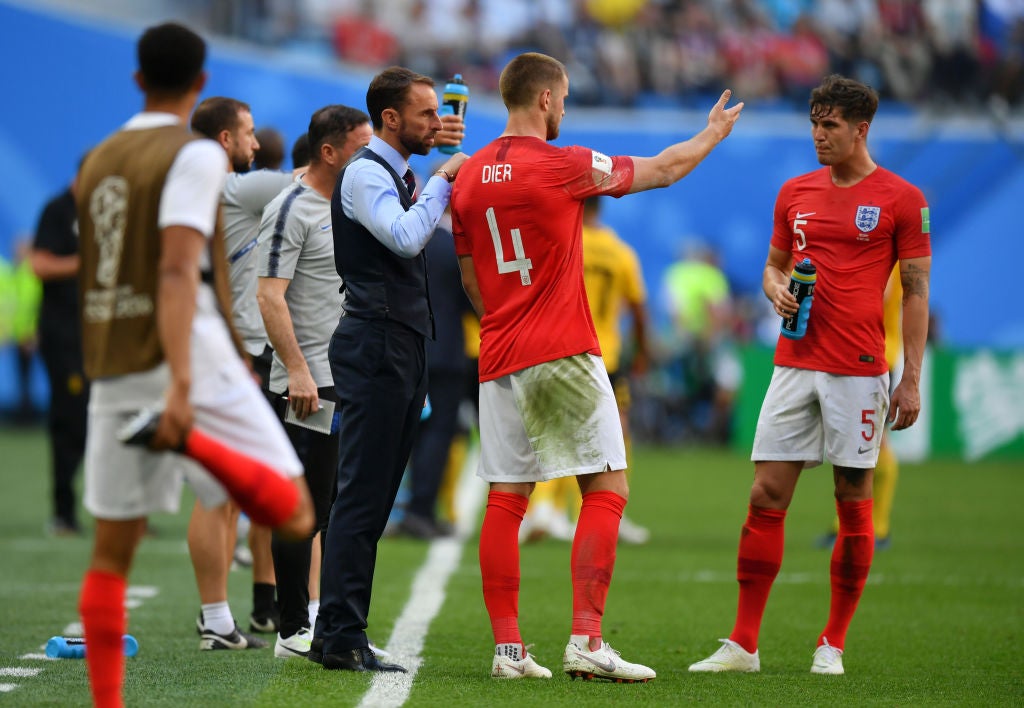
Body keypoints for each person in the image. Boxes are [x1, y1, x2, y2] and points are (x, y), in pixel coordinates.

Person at [449, 51, 742, 682]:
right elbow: (663, 170)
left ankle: (508, 652)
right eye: (566, 97)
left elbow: (470, 277)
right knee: (607, 489)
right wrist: (712, 134)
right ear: (547, 100)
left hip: (498, 351)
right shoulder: (566, 164)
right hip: (562, 349)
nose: (566, 108)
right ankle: (586, 640)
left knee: (506, 498)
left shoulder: (468, 176)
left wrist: (504, 317)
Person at [74, 22, 313, 707]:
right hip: (184, 353)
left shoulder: (98, 158)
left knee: (109, 557)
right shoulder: (196, 154)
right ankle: (188, 438)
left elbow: (102, 271)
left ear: (137, 79)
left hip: (114, 360)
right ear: (201, 82)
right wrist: (187, 381)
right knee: (294, 512)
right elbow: (179, 270)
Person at [688, 74, 930, 676]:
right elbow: (773, 269)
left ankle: (833, 643)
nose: (820, 135)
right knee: (765, 495)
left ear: (861, 129)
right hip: (794, 365)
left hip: (858, 369)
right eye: (815, 124)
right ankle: (743, 644)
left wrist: (911, 378)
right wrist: (777, 294)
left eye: (832, 126)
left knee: (852, 499)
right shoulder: (795, 192)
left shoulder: (903, 199)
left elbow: (917, 292)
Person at [312, 66, 467, 673]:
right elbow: (405, 238)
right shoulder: (366, 174)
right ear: (392, 119)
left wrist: (439, 171)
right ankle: (344, 635)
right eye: (426, 114)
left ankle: (335, 631)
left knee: (371, 497)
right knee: (362, 494)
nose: (438, 122)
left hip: (398, 342)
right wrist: (440, 181)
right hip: (376, 343)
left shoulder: (395, 172)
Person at [257, 104, 373, 660]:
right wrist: (298, 369)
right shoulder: (291, 207)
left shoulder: (350, 203)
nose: (369, 154)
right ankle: (289, 629)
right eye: (360, 145)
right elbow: (268, 294)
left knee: (330, 505)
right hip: (307, 383)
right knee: (302, 505)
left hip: (348, 375)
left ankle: (321, 619)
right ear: (329, 152)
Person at [189, 95, 297, 646]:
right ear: (225, 140)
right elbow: (318, 177)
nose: (256, 144)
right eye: (248, 133)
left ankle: (225, 617)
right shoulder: (236, 187)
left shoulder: (200, 189)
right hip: (233, 354)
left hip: (227, 352)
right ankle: (216, 618)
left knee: (231, 491)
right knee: (221, 492)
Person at [816, 263, 904, 550]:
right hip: (860, 354)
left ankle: (878, 528)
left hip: (873, 356)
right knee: (854, 443)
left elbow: (876, 296)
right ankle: (846, 525)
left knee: (873, 444)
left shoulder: (886, 255)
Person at [399, 203, 473, 540]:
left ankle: (402, 510)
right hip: (445, 353)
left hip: (406, 349)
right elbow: (470, 298)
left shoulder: (403, 237)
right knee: (438, 433)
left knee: (408, 432)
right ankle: (421, 511)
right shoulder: (455, 245)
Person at [30, 172, 89, 536]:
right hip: (64, 337)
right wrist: (85, 265)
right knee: (70, 421)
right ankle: (63, 511)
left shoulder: (102, 210)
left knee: (113, 424)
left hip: (97, 335)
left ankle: (130, 516)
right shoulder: (58, 210)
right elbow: (40, 264)